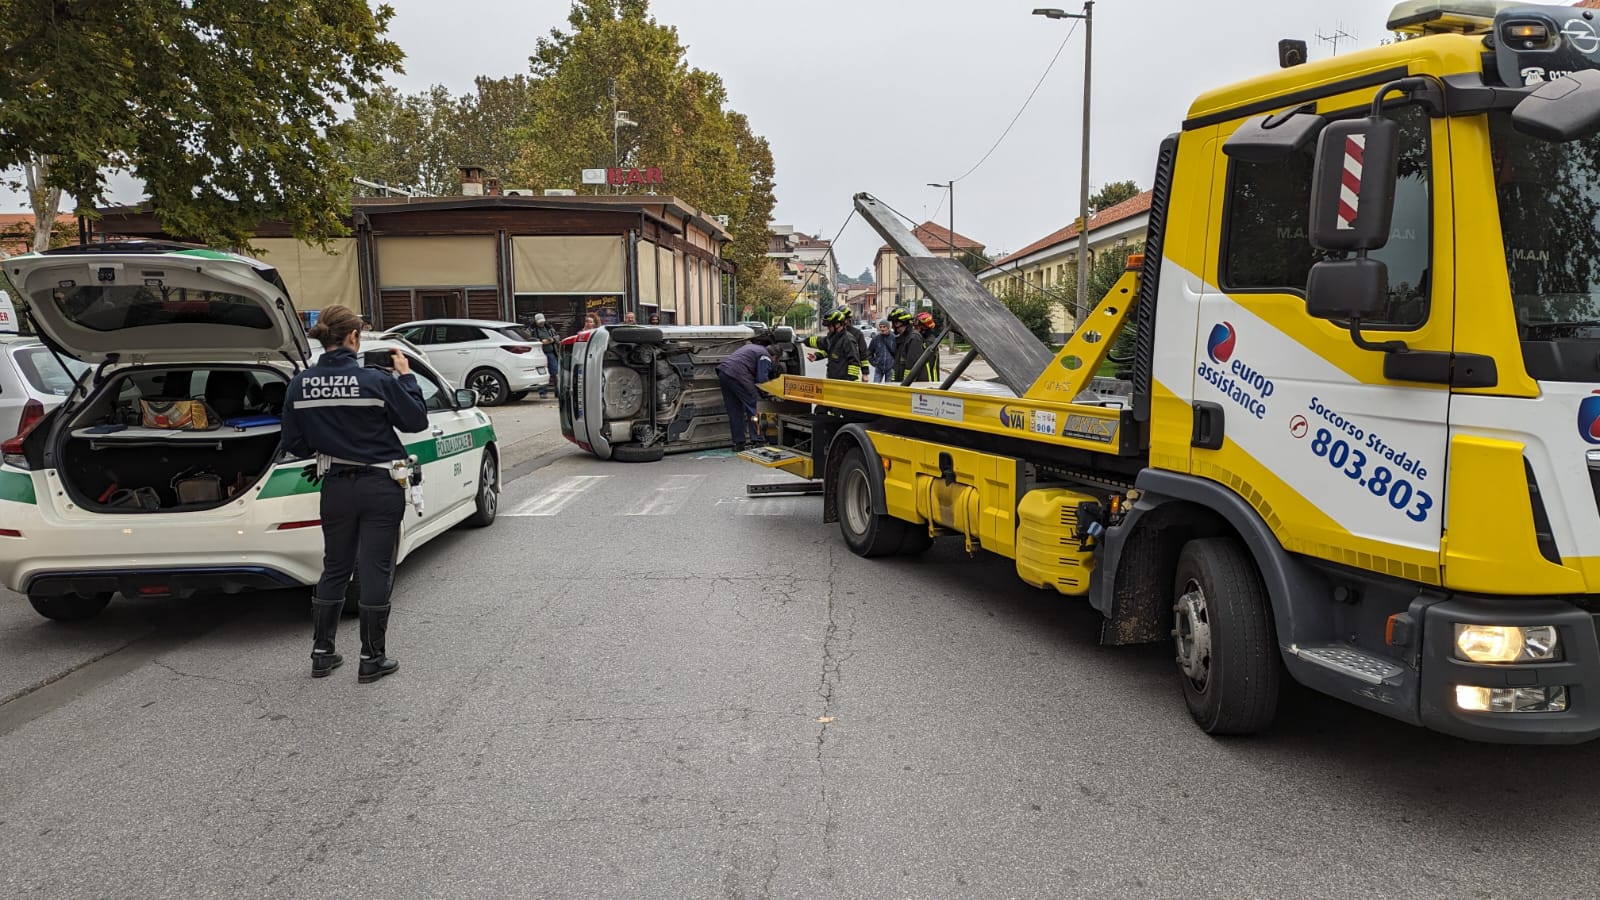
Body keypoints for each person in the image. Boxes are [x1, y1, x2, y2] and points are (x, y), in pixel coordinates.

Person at [279, 304, 429, 684]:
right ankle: (371, 657)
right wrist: (407, 378)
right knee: (376, 566)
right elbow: (415, 420)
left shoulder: (300, 384)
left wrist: (330, 440)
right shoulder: (376, 381)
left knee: (336, 566)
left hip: (335, 486)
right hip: (380, 485)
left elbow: (294, 444)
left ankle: (322, 652)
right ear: (354, 337)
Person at [715, 335, 775, 451]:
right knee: (755, 406)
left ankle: (738, 443)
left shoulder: (751, 347)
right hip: (739, 375)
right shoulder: (765, 355)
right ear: (775, 356)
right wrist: (768, 392)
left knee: (735, 410)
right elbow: (762, 379)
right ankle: (758, 440)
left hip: (724, 373)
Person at [803, 309, 862, 380]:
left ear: (837, 324)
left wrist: (850, 382)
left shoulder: (848, 340)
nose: (828, 328)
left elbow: (854, 362)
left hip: (843, 383)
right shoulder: (833, 337)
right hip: (833, 381)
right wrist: (816, 356)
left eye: (829, 325)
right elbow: (829, 351)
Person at [887, 307, 925, 383]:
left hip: (911, 386)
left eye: (895, 323)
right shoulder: (903, 339)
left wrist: (906, 384)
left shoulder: (914, 338)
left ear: (904, 322)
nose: (893, 326)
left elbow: (912, 367)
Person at [530, 313, 560, 399]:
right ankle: (542, 392)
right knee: (542, 372)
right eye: (539, 322)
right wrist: (540, 341)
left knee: (555, 372)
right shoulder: (532, 329)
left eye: (542, 321)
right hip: (539, 353)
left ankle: (557, 391)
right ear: (535, 321)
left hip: (551, 352)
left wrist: (552, 339)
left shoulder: (549, 327)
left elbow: (557, 336)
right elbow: (528, 338)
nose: (541, 323)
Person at [913, 310, 941, 381]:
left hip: (929, 380)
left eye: (917, 327)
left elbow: (927, 366)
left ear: (924, 328)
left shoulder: (929, 343)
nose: (915, 330)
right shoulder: (926, 339)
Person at [842, 308, 870, 380]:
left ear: (849, 319)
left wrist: (865, 373)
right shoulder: (836, 333)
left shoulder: (857, 333)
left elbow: (863, 353)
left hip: (852, 375)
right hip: (837, 373)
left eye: (845, 319)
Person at [868, 319, 896, 384]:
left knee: (889, 388)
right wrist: (874, 362)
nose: (882, 329)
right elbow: (869, 352)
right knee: (875, 387)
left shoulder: (894, 338)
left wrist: (894, 364)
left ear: (888, 327)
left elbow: (898, 352)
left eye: (884, 327)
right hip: (879, 368)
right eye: (880, 327)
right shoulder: (876, 338)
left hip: (890, 368)